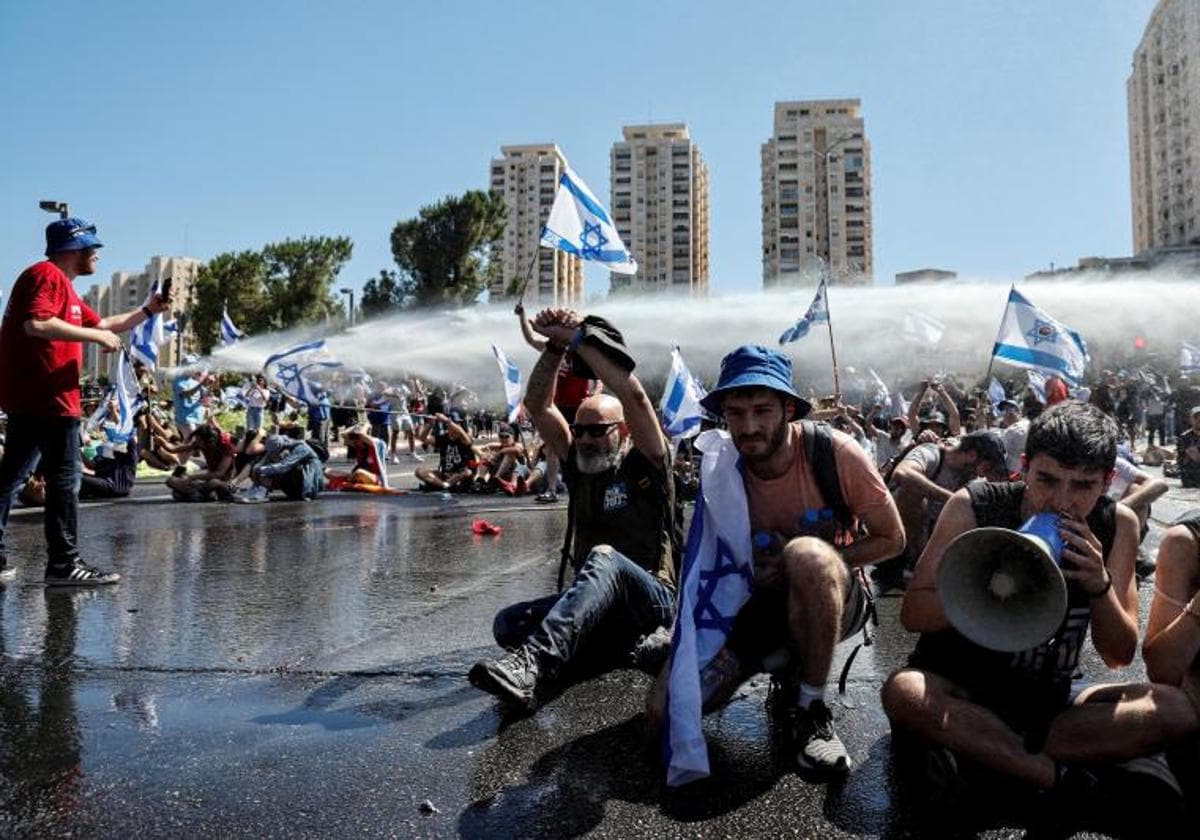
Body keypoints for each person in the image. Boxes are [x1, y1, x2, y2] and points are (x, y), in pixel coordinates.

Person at [882, 402, 1197, 823]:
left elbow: (1118, 654)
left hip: (1046, 703)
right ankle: (1061, 780)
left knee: (1175, 709)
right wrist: (981, 570)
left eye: (1082, 486)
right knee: (905, 692)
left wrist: (1099, 585)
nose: (1061, 501)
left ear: (1107, 483)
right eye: (1046, 480)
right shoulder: (974, 506)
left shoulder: (1117, 524)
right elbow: (913, 615)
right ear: (1025, 468)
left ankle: (988, 757)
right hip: (962, 690)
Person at [647, 345, 905, 776]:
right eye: (736, 413)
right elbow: (711, 565)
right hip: (759, 604)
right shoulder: (721, 469)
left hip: (837, 597)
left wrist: (813, 562)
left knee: (807, 556)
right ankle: (778, 660)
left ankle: (811, 707)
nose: (749, 427)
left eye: (762, 411)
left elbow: (893, 539)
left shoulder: (835, 453)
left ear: (788, 409)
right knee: (666, 713)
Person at [469, 308, 676, 712]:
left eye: (597, 431)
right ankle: (619, 646)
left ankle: (532, 665)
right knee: (507, 624)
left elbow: (632, 394)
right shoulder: (579, 468)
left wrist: (581, 336)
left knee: (603, 558)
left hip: (651, 597)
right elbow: (538, 406)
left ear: (624, 431)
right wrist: (555, 347)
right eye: (580, 430)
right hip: (599, 602)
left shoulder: (646, 463)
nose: (584, 439)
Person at [0, 217, 170, 585]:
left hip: (37, 398)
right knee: (65, 478)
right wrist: (96, 340)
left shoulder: (64, 288)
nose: (97, 254)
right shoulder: (45, 275)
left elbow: (104, 324)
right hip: (48, 398)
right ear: (73, 249)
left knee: (11, 476)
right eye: (92, 248)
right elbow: (37, 324)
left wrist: (149, 311)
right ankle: (63, 564)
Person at [886, 430, 1008, 587]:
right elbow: (903, 473)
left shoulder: (969, 478)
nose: (983, 474)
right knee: (912, 491)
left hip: (927, 536)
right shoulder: (931, 453)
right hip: (894, 531)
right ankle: (912, 560)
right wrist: (953, 499)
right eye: (986, 467)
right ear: (971, 455)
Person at [414, 413, 477, 492]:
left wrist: (447, 420)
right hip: (445, 474)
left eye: (458, 423)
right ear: (447, 427)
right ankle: (445, 485)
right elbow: (423, 438)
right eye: (455, 423)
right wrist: (430, 424)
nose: (458, 425)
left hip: (461, 473)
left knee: (467, 473)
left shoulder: (464, 438)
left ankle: (444, 484)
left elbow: (462, 433)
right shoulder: (443, 438)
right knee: (420, 471)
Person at [171, 359, 208, 440]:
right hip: (186, 419)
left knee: (194, 444)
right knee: (192, 442)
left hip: (198, 418)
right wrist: (201, 384)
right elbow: (186, 394)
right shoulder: (178, 380)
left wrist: (211, 386)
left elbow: (203, 399)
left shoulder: (194, 381)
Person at [1176, 406, 1200, 488]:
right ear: (1191, 420)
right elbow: (1196, 457)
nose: (1199, 420)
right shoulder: (1185, 437)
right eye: (1196, 417)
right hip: (1190, 476)